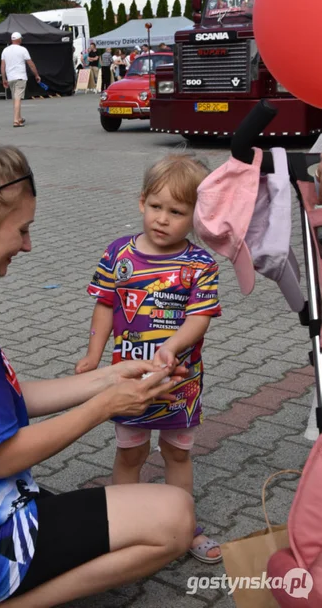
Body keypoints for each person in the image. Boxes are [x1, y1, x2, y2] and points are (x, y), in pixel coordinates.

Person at [0, 125, 195, 608]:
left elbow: (1, 402)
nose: (27, 246)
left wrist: (110, 376)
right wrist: (106, 405)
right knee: (175, 519)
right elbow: (3, 457)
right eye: (22, 230)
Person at [75, 155, 223, 565]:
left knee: (177, 454)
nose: (163, 219)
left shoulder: (200, 265)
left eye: (177, 212)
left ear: (196, 216)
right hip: (131, 384)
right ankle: (123, 525)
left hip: (180, 381)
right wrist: (92, 354)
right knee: (129, 454)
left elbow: (201, 316)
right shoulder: (117, 253)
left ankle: (185, 525)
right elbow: (104, 305)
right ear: (142, 202)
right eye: (156, 207)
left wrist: (173, 346)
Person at [1, 32, 41, 127]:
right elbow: (30, 64)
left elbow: (3, 66)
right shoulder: (23, 50)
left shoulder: (5, 50)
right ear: (19, 39)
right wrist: (36, 75)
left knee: (15, 98)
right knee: (18, 98)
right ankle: (16, 120)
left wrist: (4, 78)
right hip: (20, 76)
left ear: (11, 40)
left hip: (10, 77)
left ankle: (19, 118)